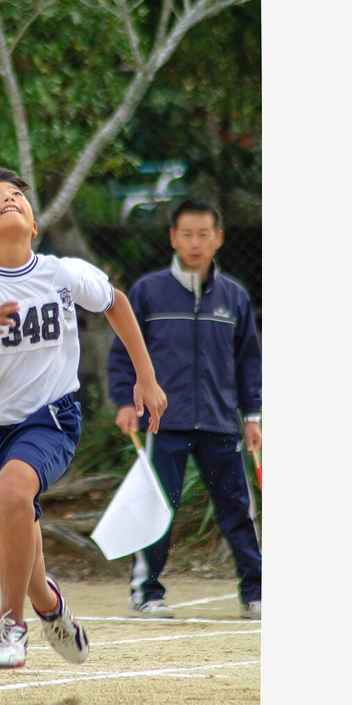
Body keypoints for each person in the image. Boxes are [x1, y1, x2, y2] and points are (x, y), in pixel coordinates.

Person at [0, 167, 167, 669]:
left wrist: (145, 377)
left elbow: (115, 302)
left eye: (16, 194)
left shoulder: (60, 273)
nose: (9, 199)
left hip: (50, 416)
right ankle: (49, 605)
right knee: (18, 529)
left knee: (12, 495)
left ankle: (9, 626)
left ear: (34, 224)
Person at [106, 198, 262, 620]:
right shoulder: (147, 292)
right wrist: (125, 401)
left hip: (219, 422)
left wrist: (253, 417)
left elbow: (250, 359)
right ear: (173, 238)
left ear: (219, 238)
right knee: (157, 507)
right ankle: (146, 593)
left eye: (204, 234)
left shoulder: (235, 297)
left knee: (236, 510)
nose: (195, 243)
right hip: (162, 423)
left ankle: (256, 593)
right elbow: (123, 352)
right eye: (187, 234)